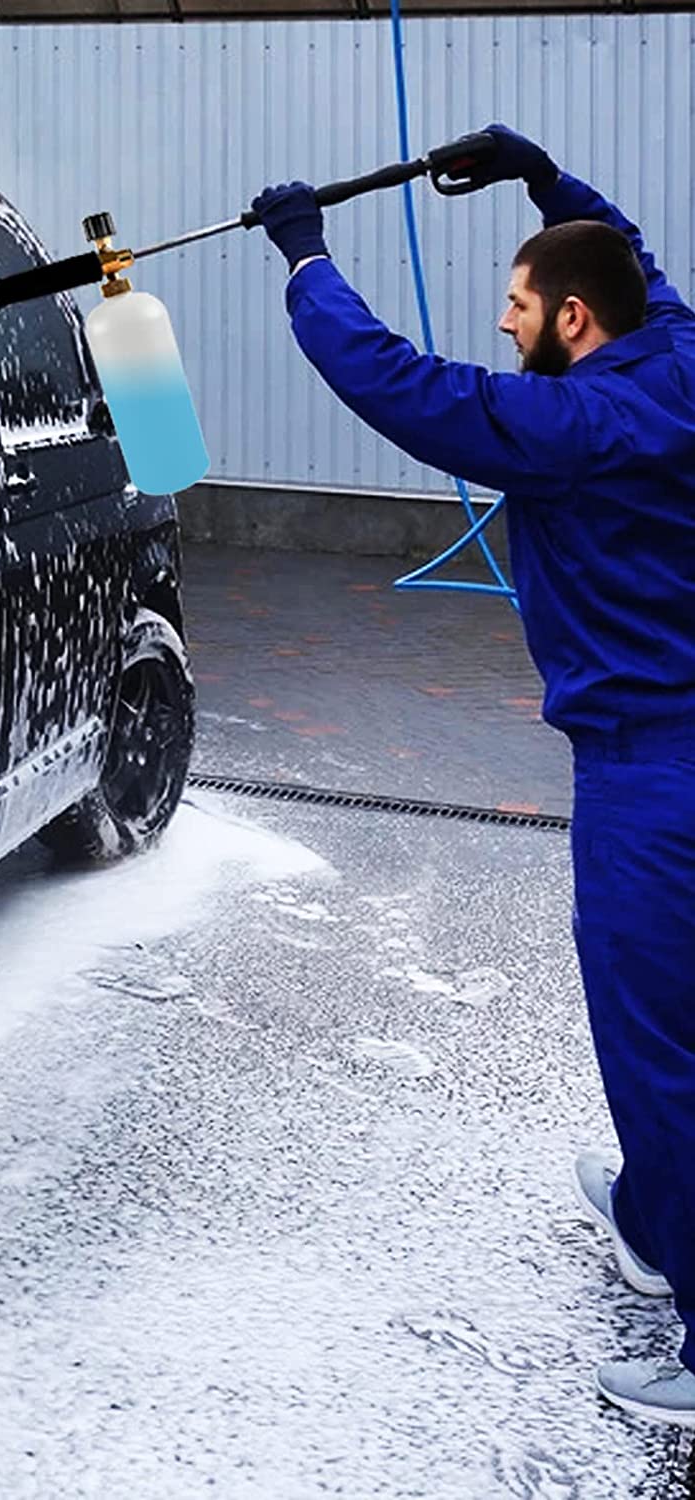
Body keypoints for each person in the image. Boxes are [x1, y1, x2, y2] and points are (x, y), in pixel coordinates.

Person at [249, 125, 695, 1428]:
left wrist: (305, 262)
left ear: (570, 318)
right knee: (665, 1038)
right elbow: (635, 261)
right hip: (670, 752)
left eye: (515, 304)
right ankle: (652, 1210)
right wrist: (542, 174)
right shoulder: (670, 349)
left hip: (653, 776)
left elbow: (402, 386)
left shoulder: (581, 423)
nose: (501, 325)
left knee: (662, 1047)